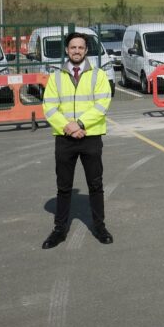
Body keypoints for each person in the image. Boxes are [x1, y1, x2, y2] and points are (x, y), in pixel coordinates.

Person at [41, 32, 114, 249]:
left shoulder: (98, 75)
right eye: (73, 47)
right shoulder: (55, 77)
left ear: (86, 50)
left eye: (80, 47)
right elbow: (49, 107)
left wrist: (80, 125)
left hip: (90, 137)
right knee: (63, 187)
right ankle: (59, 230)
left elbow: (102, 104)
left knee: (95, 185)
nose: (76, 51)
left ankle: (100, 227)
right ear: (66, 50)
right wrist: (68, 127)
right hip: (65, 139)